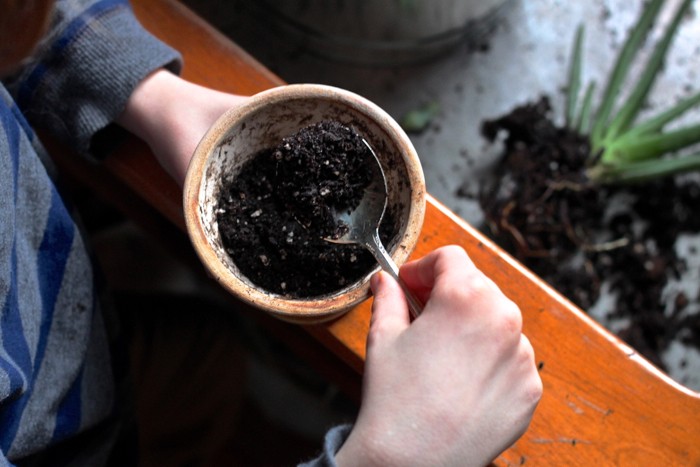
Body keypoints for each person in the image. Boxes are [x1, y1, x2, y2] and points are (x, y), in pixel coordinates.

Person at [0, 1, 542, 466]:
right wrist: (392, 456)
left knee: (211, 352)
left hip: (68, 319)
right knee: (207, 377)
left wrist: (148, 93)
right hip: (74, 432)